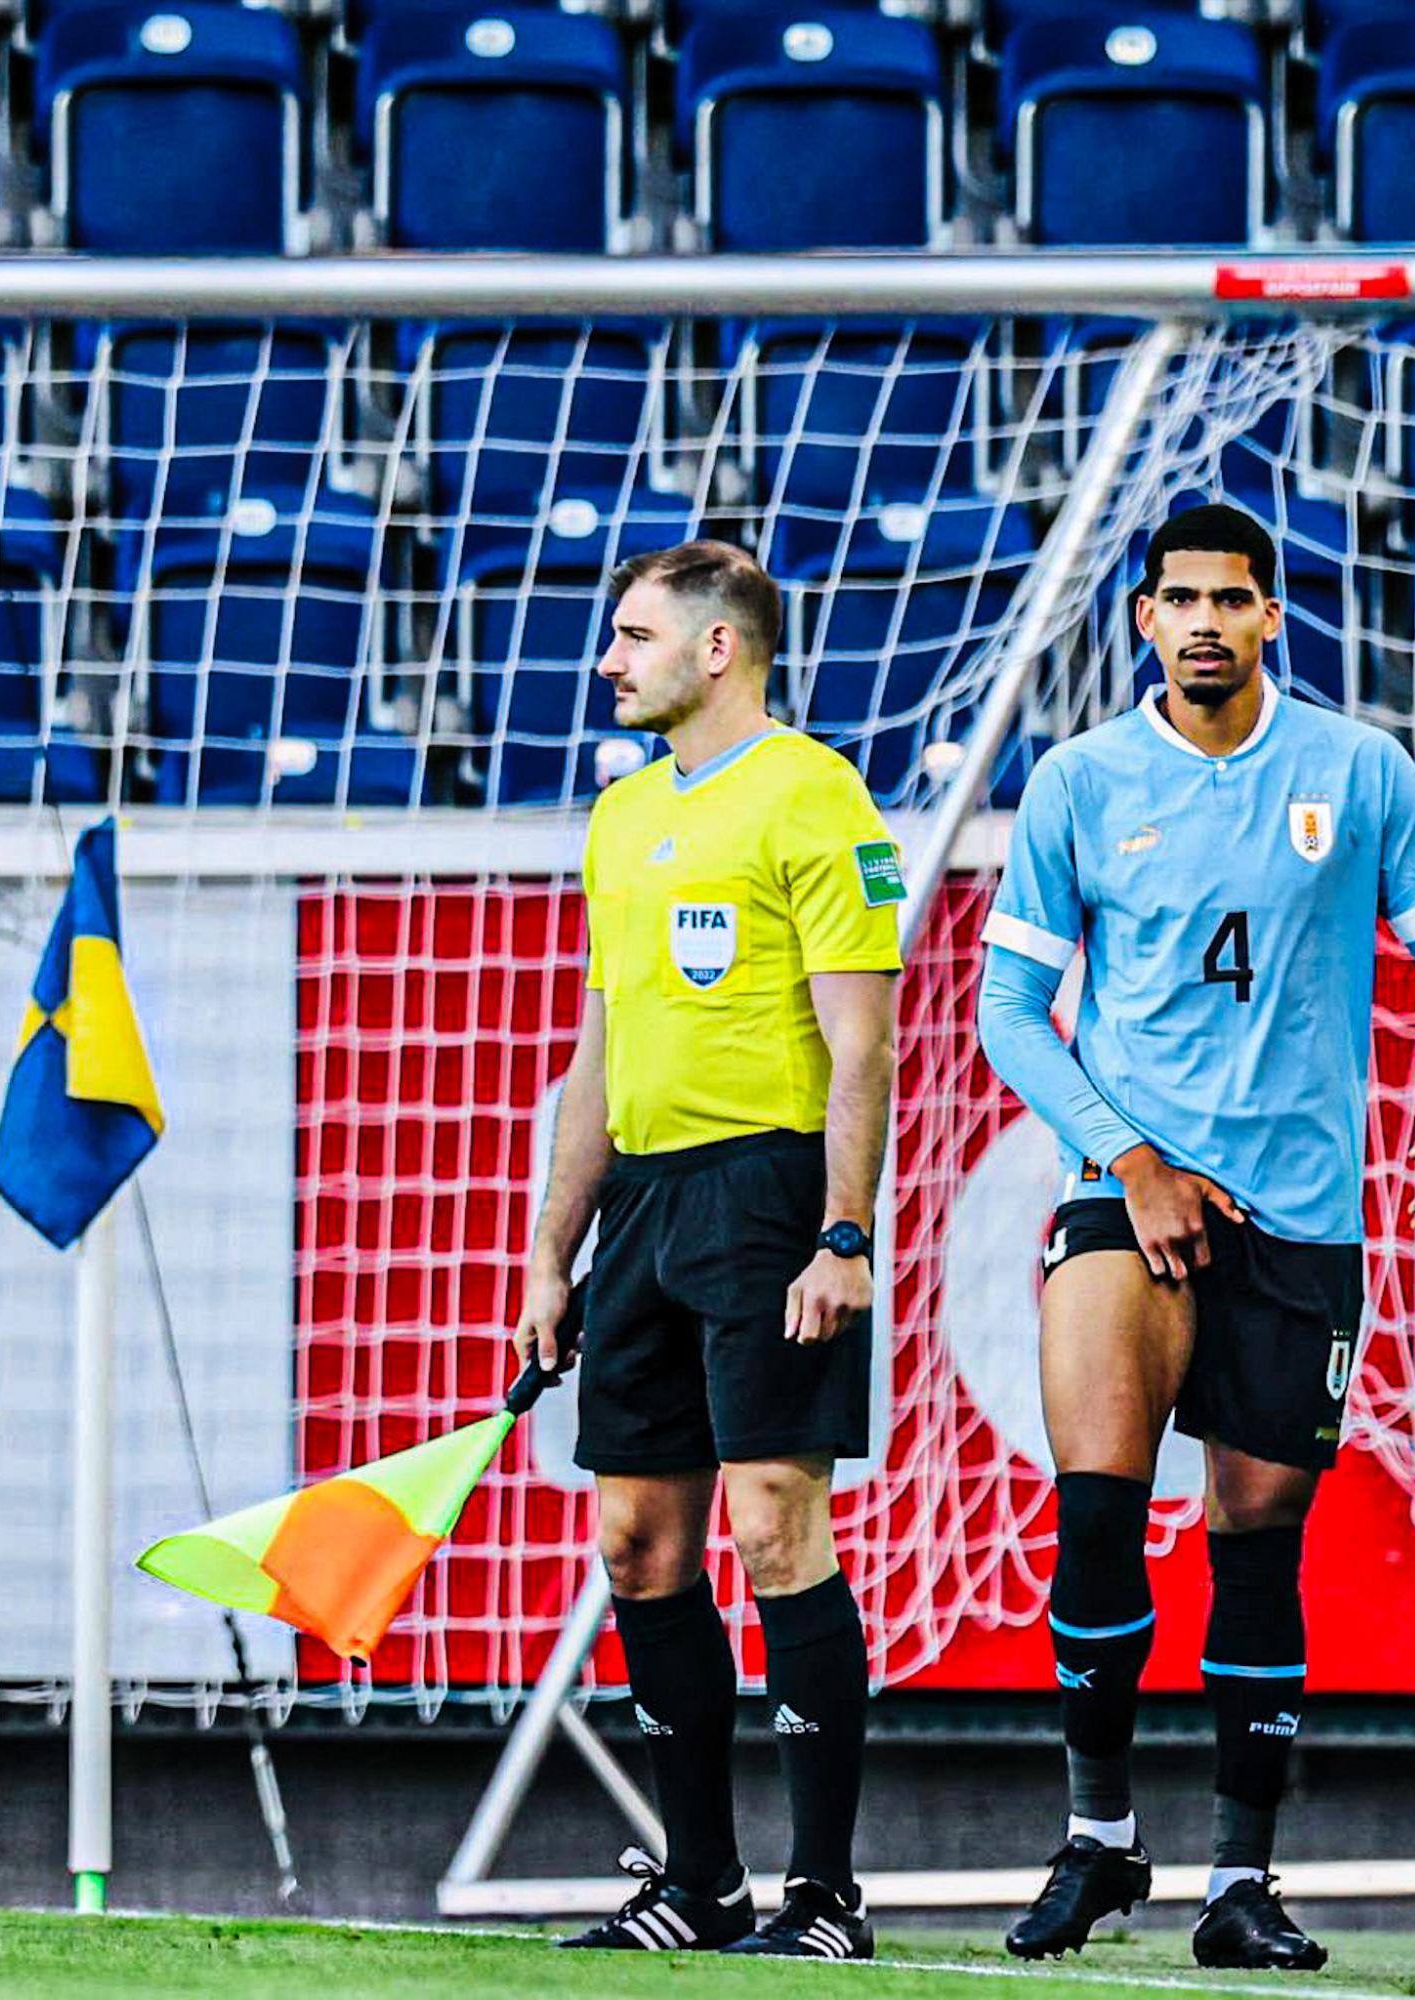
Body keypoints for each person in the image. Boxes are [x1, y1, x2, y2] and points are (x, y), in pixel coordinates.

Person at [977, 503, 1415, 1970]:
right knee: (1097, 1508)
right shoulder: (1081, 781)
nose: (1205, 622)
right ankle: (1096, 1841)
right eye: (1181, 600)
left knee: (1257, 1542)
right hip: (1128, 1198)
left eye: (1232, 600)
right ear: (1144, 618)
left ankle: (1238, 1883)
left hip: (1303, 1213)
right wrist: (1130, 1156)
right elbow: (1010, 1009)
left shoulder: (1360, 769)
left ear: (1273, 614)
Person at [515, 540, 901, 1960]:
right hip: (643, 1207)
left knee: (775, 1520)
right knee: (636, 1542)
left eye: (633, 636)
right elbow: (597, 1049)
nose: (608, 661)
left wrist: (843, 1233)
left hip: (768, 1196)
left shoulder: (816, 793)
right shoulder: (621, 816)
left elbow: (864, 1044)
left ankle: (825, 1898)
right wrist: (552, 1254)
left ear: (718, 647)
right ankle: (699, 1885)